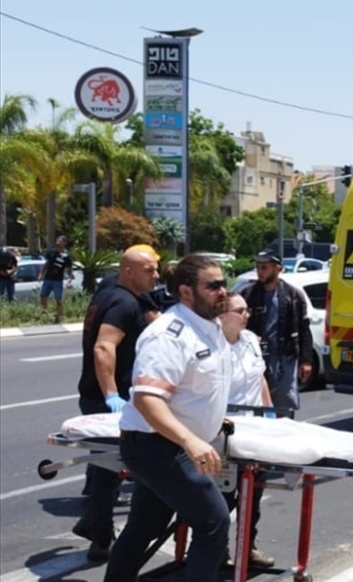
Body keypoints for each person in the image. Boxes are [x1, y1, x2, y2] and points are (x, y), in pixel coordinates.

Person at [103, 254, 232, 582]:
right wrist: (191, 440)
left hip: (169, 444)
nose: (223, 291)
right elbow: (148, 399)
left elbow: (197, 387)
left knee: (144, 526)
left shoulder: (210, 327)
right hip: (158, 446)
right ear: (186, 292)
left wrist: (214, 417)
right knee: (213, 522)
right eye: (213, 286)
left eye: (224, 284)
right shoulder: (169, 335)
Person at [72, 245, 160, 561]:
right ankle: (100, 538)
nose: (156, 275)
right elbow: (103, 348)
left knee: (105, 466)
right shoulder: (124, 303)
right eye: (149, 270)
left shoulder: (108, 296)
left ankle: (91, 524)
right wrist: (111, 394)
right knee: (109, 469)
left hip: (97, 395)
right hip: (109, 400)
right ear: (128, 271)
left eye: (156, 269)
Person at [219, 291, 276, 567]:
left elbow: (260, 379)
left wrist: (270, 412)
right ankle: (216, 549)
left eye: (247, 310)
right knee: (223, 495)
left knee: (254, 491)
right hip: (224, 430)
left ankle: (248, 546)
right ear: (222, 315)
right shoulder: (214, 345)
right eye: (239, 311)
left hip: (255, 427)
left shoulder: (251, 340)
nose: (246, 315)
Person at [238, 250, 314, 411]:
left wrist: (306, 360)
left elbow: (304, 329)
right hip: (254, 357)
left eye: (264, 267)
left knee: (285, 403)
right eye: (258, 267)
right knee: (256, 401)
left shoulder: (293, 295)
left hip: (285, 357)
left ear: (278, 269)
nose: (259, 271)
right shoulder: (247, 294)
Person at [39, 235, 73, 323]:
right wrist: (41, 274)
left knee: (58, 299)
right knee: (43, 296)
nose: (58, 242)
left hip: (57, 280)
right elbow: (46, 264)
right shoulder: (52, 252)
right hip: (48, 279)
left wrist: (69, 280)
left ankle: (60, 317)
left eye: (60, 241)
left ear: (64, 243)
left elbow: (70, 269)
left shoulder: (67, 256)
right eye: (57, 240)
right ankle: (44, 315)